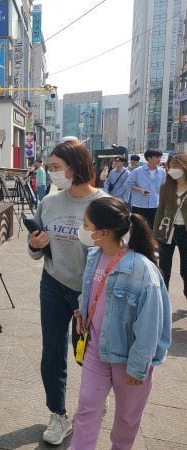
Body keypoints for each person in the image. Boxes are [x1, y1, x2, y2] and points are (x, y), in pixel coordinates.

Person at [71, 197, 171, 450]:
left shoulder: (142, 270)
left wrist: (139, 366)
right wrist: (84, 311)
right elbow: (93, 290)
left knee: (127, 418)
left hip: (129, 359)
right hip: (95, 350)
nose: (81, 229)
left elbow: (151, 324)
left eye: (85, 224)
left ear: (102, 233)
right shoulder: (94, 256)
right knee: (86, 409)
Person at [27, 139, 107, 445]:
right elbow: (38, 249)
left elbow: (114, 253)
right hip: (52, 285)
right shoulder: (48, 202)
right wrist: (35, 246)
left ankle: (96, 397)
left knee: (85, 354)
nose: (51, 171)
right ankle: (58, 415)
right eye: (50, 166)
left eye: (57, 167)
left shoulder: (103, 204)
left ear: (75, 167)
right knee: (52, 354)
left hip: (89, 292)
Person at [154, 152, 187, 298]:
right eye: (169, 166)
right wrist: (155, 235)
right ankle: (163, 301)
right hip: (167, 231)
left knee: (185, 271)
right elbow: (160, 210)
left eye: (175, 166)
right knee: (164, 269)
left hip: (185, 232)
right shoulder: (165, 187)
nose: (171, 169)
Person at [125, 149, 166, 229]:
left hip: (155, 205)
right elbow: (129, 184)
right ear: (149, 158)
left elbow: (163, 187)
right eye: (157, 157)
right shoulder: (137, 171)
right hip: (139, 205)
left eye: (160, 157)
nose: (159, 159)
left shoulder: (162, 171)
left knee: (153, 229)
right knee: (138, 229)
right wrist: (140, 190)